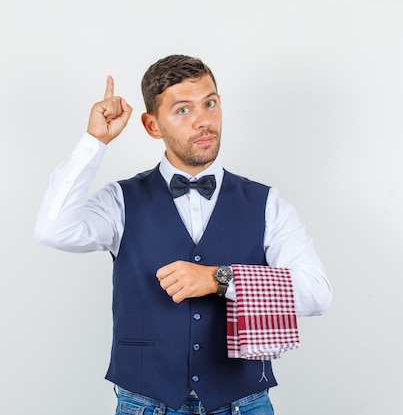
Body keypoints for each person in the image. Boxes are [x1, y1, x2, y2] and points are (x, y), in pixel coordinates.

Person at [35, 55, 332, 415]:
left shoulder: (267, 203)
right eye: (182, 110)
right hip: (145, 404)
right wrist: (94, 141)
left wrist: (219, 279)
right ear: (152, 125)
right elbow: (53, 229)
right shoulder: (120, 201)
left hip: (244, 403)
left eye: (210, 103)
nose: (203, 121)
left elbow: (317, 293)